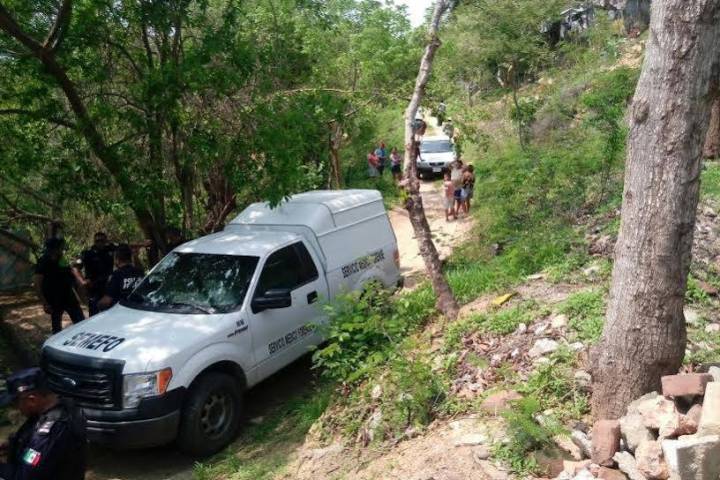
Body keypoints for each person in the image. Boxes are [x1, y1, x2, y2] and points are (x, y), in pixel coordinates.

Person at [0, 367, 87, 480]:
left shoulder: (50, 430)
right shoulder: (61, 407)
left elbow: (23, 477)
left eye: (16, 402)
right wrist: (12, 445)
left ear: (32, 400)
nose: (17, 408)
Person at [34, 239, 84, 335]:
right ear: (54, 249)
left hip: (69, 297)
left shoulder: (62, 259)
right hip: (54, 300)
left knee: (80, 322)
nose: (62, 250)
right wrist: (45, 303)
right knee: (57, 328)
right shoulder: (43, 261)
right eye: (61, 248)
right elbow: (37, 283)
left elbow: (70, 273)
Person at [76, 232, 115, 316]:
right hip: (94, 288)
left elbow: (125, 249)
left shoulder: (110, 250)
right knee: (94, 314)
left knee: (110, 313)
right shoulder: (87, 253)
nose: (100, 243)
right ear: (94, 241)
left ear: (105, 241)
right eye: (97, 241)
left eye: (102, 240)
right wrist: (83, 281)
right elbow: (75, 268)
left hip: (108, 288)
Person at [97, 244, 145, 311]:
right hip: (141, 310)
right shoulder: (140, 272)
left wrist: (98, 305)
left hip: (122, 312)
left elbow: (107, 301)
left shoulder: (117, 274)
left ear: (117, 259)